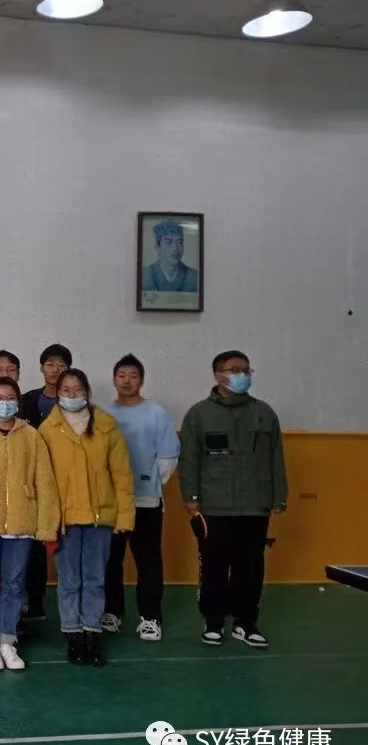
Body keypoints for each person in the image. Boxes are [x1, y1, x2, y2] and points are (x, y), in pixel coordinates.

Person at [179, 351, 287, 649]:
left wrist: (279, 496)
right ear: (218, 375)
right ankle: (213, 621)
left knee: (250, 567)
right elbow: (188, 460)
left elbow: (276, 457)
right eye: (235, 369)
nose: (242, 375)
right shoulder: (199, 414)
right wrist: (190, 497)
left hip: (255, 504)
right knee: (214, 566)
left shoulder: (264, 413)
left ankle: (245, 622)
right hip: (213, 505)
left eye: (246, 370)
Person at [0, 378, 59, 672]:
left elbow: (45, 482)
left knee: (15, 584)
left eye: (10, 398)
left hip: (21, 522)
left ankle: (8, 639)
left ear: (18, 402)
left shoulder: (31, 435)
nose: (5, 403)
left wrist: (46, 525)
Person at [39, 369, 134, 667]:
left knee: (95, 579)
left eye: (77, 389)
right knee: (69, 580)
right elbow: (42, 480)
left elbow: (122, 475)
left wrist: (125, 516)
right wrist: (46, 521)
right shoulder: (48, 429)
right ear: (58, 393)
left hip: (100, 518)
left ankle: (92, 633)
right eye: (65, 390)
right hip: (64, 519)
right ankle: (73, 634)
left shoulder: (106, 425)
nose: (72, 395)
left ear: (87, 391)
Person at [102, 354, 180, 641]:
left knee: (148, 560)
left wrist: (148, 486)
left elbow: (168, 456)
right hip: (111, 503)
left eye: (133, 375)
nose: (127, 380)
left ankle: (150, 618)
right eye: (122, 375)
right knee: (110, 560)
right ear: (114, 379)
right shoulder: (103, 413)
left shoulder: (156, 412)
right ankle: (112, 613)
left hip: (146, 500)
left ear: (142, 380)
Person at [17, 343, 72, 622]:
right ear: (41, 367)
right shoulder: (26, 400)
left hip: (67, 482)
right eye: (50, 364)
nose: (55, 369)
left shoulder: (75, 403)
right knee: (34, 544)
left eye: (61, 365)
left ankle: (73, 610)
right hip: (32, 482)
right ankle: (34, 603)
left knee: (69, 546)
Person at [141, 219, 199, 293]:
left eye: (180, 242)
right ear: (157, 247)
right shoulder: (145, 274)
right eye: (169, 242)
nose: (175, 248)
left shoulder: (194, 276)